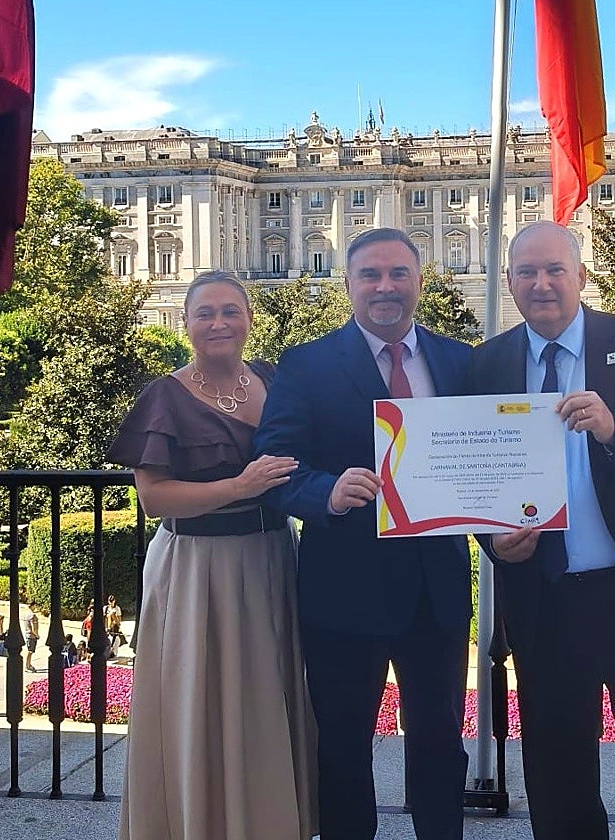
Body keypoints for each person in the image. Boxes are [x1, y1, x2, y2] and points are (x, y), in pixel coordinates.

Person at [465, 221, 615, 840]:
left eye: (554, 271)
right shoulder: (487, 363)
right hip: (546, 596)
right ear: (510, 282)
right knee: (557, 763)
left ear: (580, 277)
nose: (541, 284)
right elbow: (474, 480)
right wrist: (494, 541)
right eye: (527, 273)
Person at [255, 228, 472, 840]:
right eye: (371, 275)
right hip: (344, 594)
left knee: (438, 743)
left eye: (399, 274)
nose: (385, 287)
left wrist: (510, 527)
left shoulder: (459, 360)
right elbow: (275, 463)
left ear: (419, 283)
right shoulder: (306, 364)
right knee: (345, 750)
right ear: (347, 284)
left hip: (437, 591)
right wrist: (324, 491)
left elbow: (486, 464)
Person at [107, 270, 316, 840]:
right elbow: (152, 498)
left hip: (272, 557)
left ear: (250, 318)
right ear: (187, 323)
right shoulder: (165, 394)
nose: (219, 323)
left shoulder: (273, 380)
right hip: (199, 567)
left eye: (230, 311)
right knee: (199, 704)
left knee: (263, 701)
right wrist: (237, 488)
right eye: (206, 313)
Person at [23, 602, 40, 672]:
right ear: (32, 606)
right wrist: (37, 635)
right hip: (32, 636)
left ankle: (28, 664)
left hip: (27, 634)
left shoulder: (26, 614)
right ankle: (27, 666)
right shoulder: (33, 616)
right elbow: (34, 627)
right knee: (30, 651)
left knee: (30, 651)